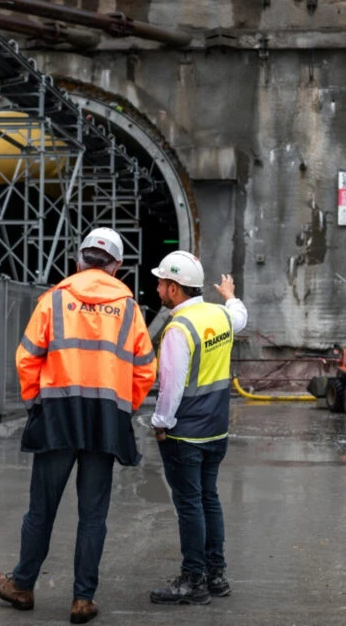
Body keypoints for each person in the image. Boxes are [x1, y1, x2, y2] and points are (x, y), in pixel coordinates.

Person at [0, 227, 157, 625]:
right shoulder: (130, 309)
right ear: (116, 268)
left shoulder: (54, 300)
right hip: (105, 420)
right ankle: (82, 600)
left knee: (41, 510)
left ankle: (23, 585)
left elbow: (27, 357)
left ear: (79, 260)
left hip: (58, 416)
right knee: (93, 515)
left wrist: (35, 404)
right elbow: (145, 369)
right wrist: (122, 408)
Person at [148, 250, 247, 606]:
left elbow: (171, 387)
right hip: (216, 431)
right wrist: (230, 294)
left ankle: (193, 580)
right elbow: (240, 316)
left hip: (185, 435)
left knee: (190, 505)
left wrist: (160, 424)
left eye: (162, 282)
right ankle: (216, 575)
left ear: (174, 289)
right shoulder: (220, 316)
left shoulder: (178, 329)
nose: (158, 287)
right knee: (209, 499)